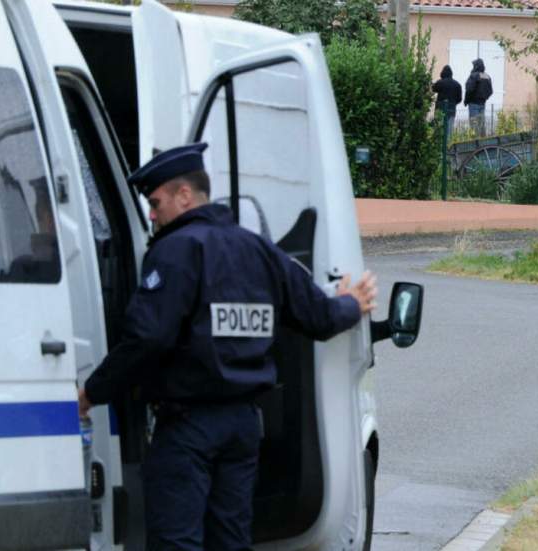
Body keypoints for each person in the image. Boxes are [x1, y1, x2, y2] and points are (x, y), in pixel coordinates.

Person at [77, 142, 377, 551]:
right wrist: (350, 304)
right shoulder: (258, 250)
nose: (151, 214)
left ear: (184, 195)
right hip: (242, 428)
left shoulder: (175, 250)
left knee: (177, 543)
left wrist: (92, 392)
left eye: (155, 202)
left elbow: (148, 338)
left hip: (187, 429)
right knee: (231, 541)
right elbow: (317, 318)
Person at [463, 58, 493, 136]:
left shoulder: (474, 75)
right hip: (482, 103)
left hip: (473, 103)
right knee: (481, 125)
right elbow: (490, 91)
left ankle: (474, 144)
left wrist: (466, 101)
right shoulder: (487, 76)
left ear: (476, 66)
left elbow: (469, 89)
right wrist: (484, 98)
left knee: (474, 126)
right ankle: (482, 142)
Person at [432, 65, 462, 138]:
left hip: (440, 110)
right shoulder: (457, 84)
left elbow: (433, 89)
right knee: (449, 133)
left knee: (439, 131)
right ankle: (448, 148)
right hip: (451, 110)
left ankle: (438, 147)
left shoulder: (440, 82)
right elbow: (459, 99)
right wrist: (453, 103)